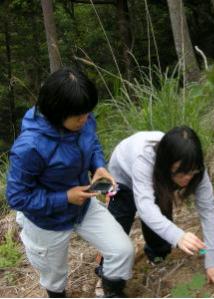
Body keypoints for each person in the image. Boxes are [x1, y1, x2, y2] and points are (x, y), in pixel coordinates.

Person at [6, 68, 134, 298]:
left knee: (122, 250)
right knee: (55, 280)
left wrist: (99, 167)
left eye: (87, 114)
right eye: (79, 117)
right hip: (46, 221)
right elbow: (16, 197)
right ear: (56, 113)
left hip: (83, 205)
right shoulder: (29, 147)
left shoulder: (82, 117)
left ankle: (111, 292)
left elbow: (92, 142)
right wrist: (64, 197)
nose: (85, 120)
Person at [96, 126, 214, 284]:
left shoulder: (194, 166)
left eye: (192, 172)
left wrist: (212, 259)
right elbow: (145, 208)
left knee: (161, 208)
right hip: (123, 175)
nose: (187, 179)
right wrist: (178, 236)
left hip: (158, 177)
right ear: (166, 165)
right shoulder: (144, 160)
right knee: (119, 225)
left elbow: (208, 210)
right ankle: (107, 273)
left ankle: (158, 256)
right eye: (181, 173)